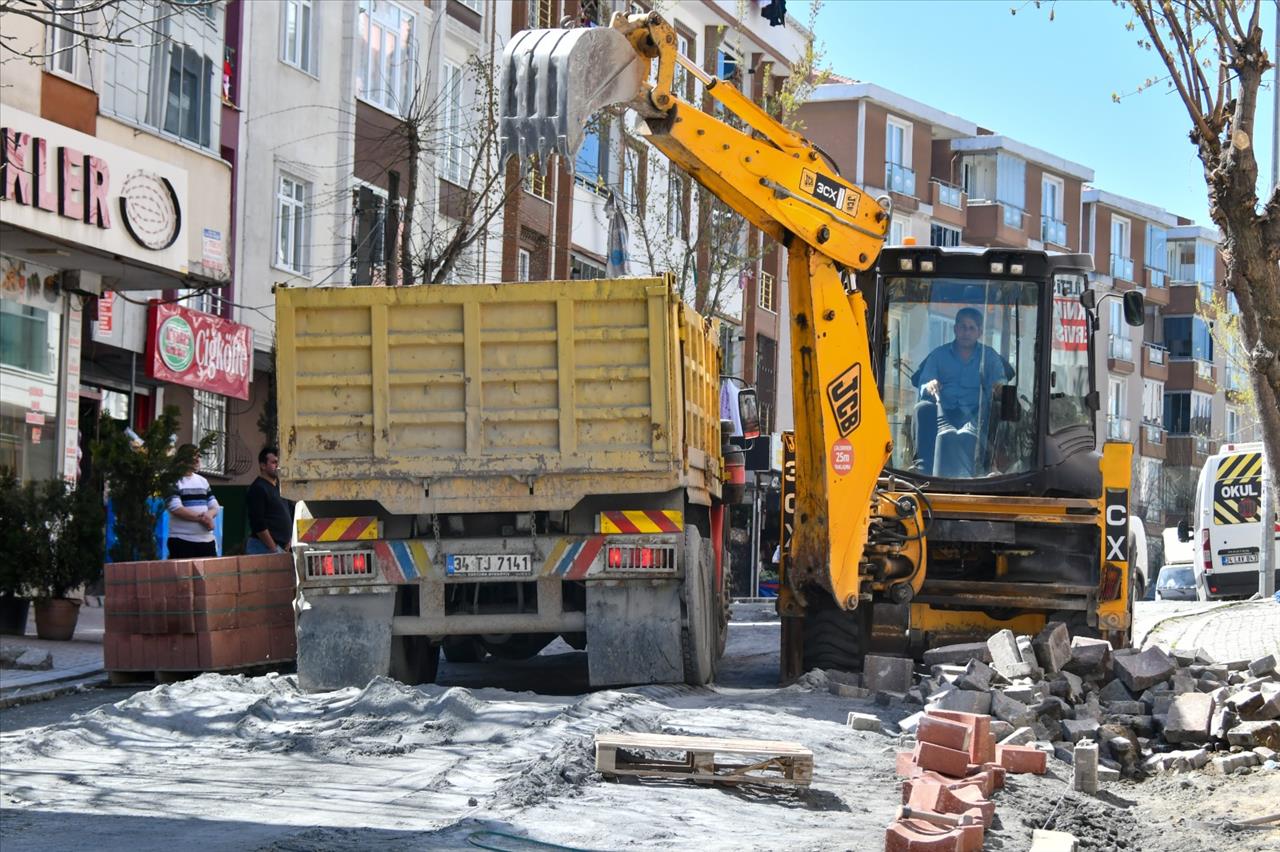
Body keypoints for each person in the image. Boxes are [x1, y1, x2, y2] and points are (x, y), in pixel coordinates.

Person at [912, 307, 1014, 477]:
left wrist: (999, 388)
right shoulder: (938, 356)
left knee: (997, 409)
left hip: (978, 415)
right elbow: (924, 383)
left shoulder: (989, 357)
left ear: (979, 332)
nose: (966, 332)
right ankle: (922, 468)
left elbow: (1000, 382)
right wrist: (929, 385)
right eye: (962, 327)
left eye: (971, 328)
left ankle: (989, 467)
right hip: (943, 413)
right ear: (955, 329)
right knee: (921, 408)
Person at [166, 448, 220, 558]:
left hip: (207, 541)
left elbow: (215, 506)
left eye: (199, 456)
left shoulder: (203, 481)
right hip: (182, 541)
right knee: (184, 575)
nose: (198, 460)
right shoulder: (172, 480)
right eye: (194, 457)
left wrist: (208, 516)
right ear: (182, 460)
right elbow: (176, 508)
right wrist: (205, 519)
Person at [246, 446, 293, 555]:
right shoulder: (258, 488)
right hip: (263, 548)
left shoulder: (280, 488)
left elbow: (290, 513)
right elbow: (258, 523)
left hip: (282, 548)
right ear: (263, 465)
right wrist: (273, 548)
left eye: (279, 462)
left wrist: (289, 540)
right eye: (274, 462)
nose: (278, 466)